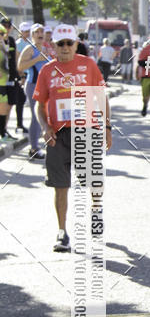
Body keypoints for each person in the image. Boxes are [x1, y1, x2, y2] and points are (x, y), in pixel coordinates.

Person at [33, 24, 111, 252]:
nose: (65, 48)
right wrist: (45, 127)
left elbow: (100, 96)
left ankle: (96, 210)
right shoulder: (47, 70)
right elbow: (40, 105)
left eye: (69, 43)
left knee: (93, 179)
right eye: (61, 44)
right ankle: (62, 232)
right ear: (54, 46)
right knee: (60, 185)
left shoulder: (88, 65)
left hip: (87, 129)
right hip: (58, 136)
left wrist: (107, 126)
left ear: (76, 44)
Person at [17, 22, 51, 159]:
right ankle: (33, 148)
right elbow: (20, 66)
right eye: (36, 32)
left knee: (46, 115)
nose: (39, 34)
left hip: (46, 86)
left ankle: (42, 144)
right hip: (33, 85)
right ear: (32, 35)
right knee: (36, 116)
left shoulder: (47, 48)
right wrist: (37, 58)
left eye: (41, 31)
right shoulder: (29, 49)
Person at [1, 18, 27, 135]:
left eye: (8, 26)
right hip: (1, 79)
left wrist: (20, 76)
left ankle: (4, 129)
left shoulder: (12, 40)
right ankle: (3, 130)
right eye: (4, 25)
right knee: (3, 105)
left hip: (11, 78)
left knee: (10, 105)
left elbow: (15, 60)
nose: (6, 28)